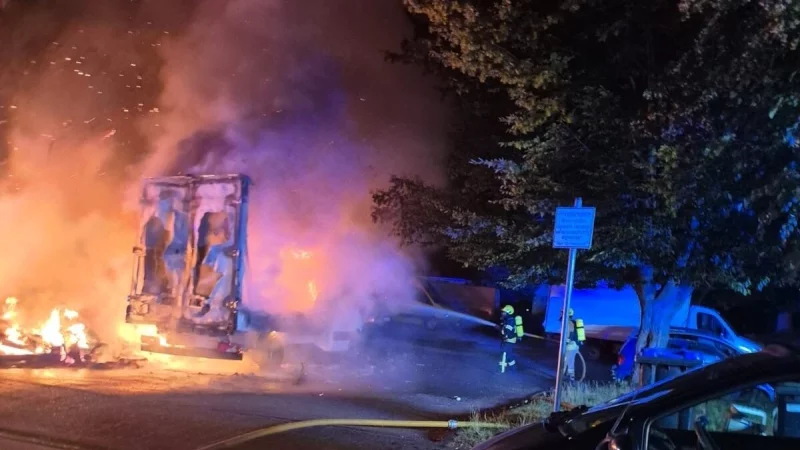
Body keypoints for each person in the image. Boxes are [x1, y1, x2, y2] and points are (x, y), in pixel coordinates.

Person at [561, 308, 586, 381]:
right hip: (575, 346)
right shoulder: (573, 322)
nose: (561, 314)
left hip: (570, 346)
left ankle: (560, 379)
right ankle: (571, 378)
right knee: (571, 362)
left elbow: (569, 334)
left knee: (564, 362)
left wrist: (566, 341)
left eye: (562, 313)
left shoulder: (568, 323)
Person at [499, 305, 524, 373]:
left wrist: (506, 337)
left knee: (507, 355)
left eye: (504, 312)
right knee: (506, 354)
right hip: (508, 340)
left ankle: (511, 369)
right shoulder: (508, 320)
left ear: (508, 312)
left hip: (510, 340)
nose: (502, 313)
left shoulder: (511, 321)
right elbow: (505, 331)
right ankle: (509, 368)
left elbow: (509, 332)